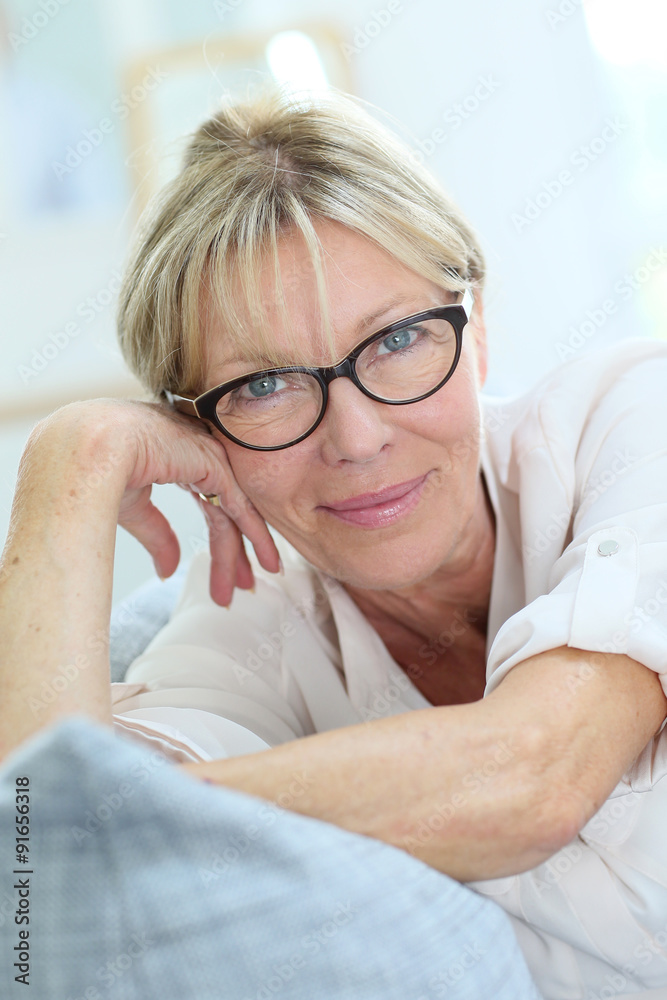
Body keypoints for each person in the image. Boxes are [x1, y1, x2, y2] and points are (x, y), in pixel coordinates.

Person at [1, 89, 667, 998]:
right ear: (199, 433)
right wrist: (66, 467)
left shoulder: (629, 427)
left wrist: (140, 818)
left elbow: (536, 774)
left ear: (476, 327)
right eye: (263, 385)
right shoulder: (245, 630)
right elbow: (41, 882)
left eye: (397, 338)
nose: (355, 438)